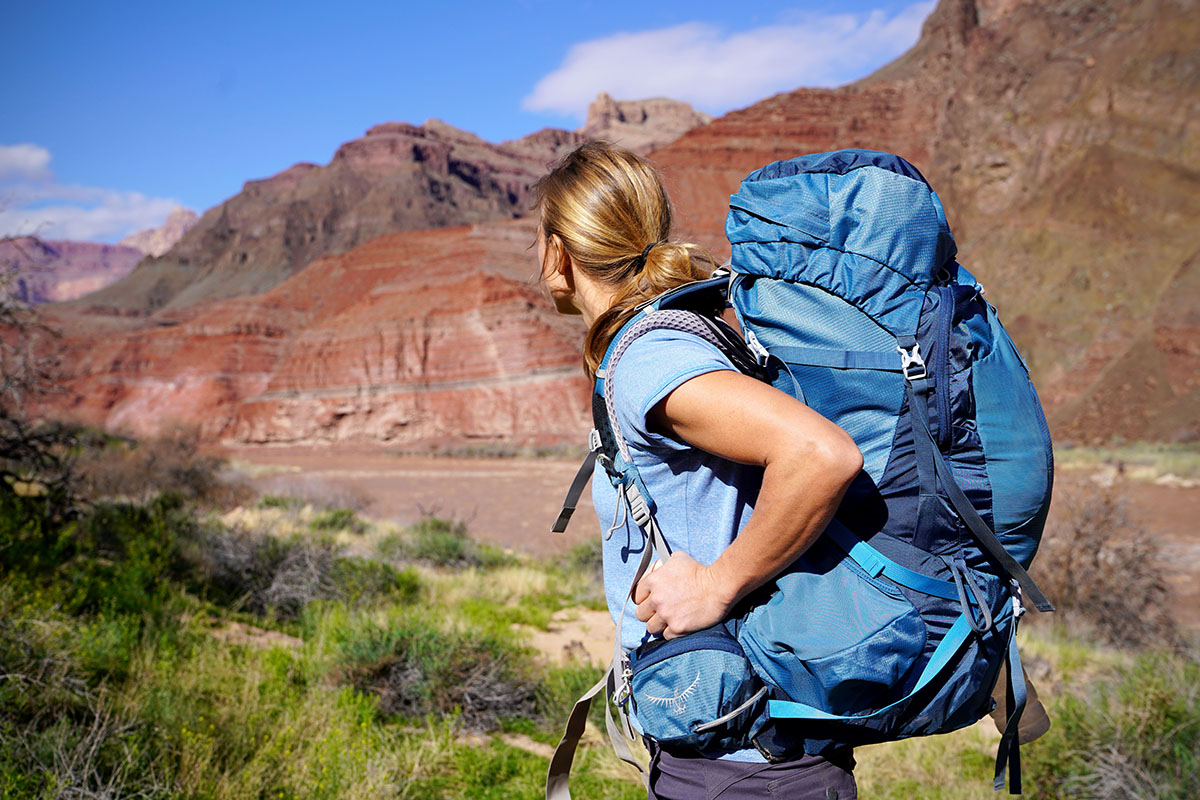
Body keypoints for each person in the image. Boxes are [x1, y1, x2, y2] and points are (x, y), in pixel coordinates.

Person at [534, 141, 864, 799]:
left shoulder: (649, 360)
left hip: (741, 766)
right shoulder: (672, 338)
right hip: (742, 745)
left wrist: (719, 583)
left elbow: (823, 455)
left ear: (558, 253)